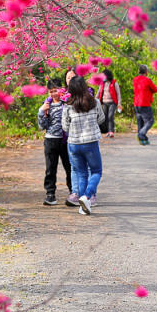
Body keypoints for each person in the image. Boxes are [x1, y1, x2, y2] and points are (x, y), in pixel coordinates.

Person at [62, 75, 105, 215]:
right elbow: (101, 119)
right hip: (90, 143)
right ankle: (87, 196)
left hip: (73, 144)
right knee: (97, 171)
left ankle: (82, 206)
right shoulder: (95, 102)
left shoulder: (67, 106)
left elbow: (65, 127)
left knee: (81, 173)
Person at [38, 78, 74, 206]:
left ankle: (73, 192)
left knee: (69, 168)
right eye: (51, 91)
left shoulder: (67, 104)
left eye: (56, 90)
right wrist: (41, 112)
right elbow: (42, 126)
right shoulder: (46, 105)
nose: (54, 94)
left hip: (66, 141)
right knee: (50, 169)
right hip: (51, 140)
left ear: (62, 90)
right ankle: (50, 194)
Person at [132, 65, 157, 145]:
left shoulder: (135, 80)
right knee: (150, 121)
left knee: (140, 122)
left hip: (136, 103)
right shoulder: (147, 80)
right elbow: (155, 89)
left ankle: (142, 140)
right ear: (146, 72)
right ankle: (141, 134)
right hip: (145, 103)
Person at [99, 69, 123, 138]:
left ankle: (111, 131)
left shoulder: (114, 83)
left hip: (112, 103)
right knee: (105, 117)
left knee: (110, 116)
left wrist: (119, 103)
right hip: (104, 103)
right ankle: (107, 131)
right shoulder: (102, 84)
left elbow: (118, 94)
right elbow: (99, 93)